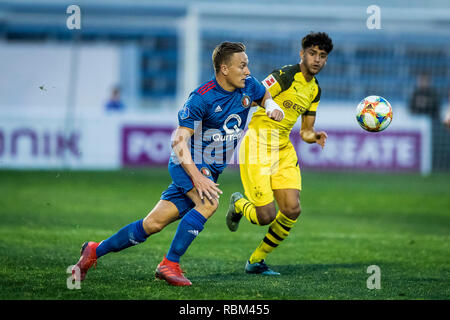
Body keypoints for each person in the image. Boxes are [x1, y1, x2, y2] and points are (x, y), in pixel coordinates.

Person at [71, 41, 284, 286]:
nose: (248, 71)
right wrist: (198, 177)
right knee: (209, 204)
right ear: (224, 69)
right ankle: (169, 264)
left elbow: (264, 95)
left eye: (247, 65)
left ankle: (93, 251)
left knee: (152, 224)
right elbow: (178, 141)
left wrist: (271, 106)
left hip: (209, 168)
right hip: (188, 163)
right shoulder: (201, 98)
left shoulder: (249, 85)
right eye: (242, 65)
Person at [226, 32, 333, 275]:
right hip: (258, 144)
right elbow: (253, 96)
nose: (317, 59)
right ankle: (239, 204)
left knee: (292, 209)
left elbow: (305, 131)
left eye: (322, 56)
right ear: (302, 54)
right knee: (265, 215)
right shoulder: (285, 76)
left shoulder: (315, 90)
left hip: (283, 148)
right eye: (312, 53)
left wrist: (314, 136)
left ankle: (256, 261)